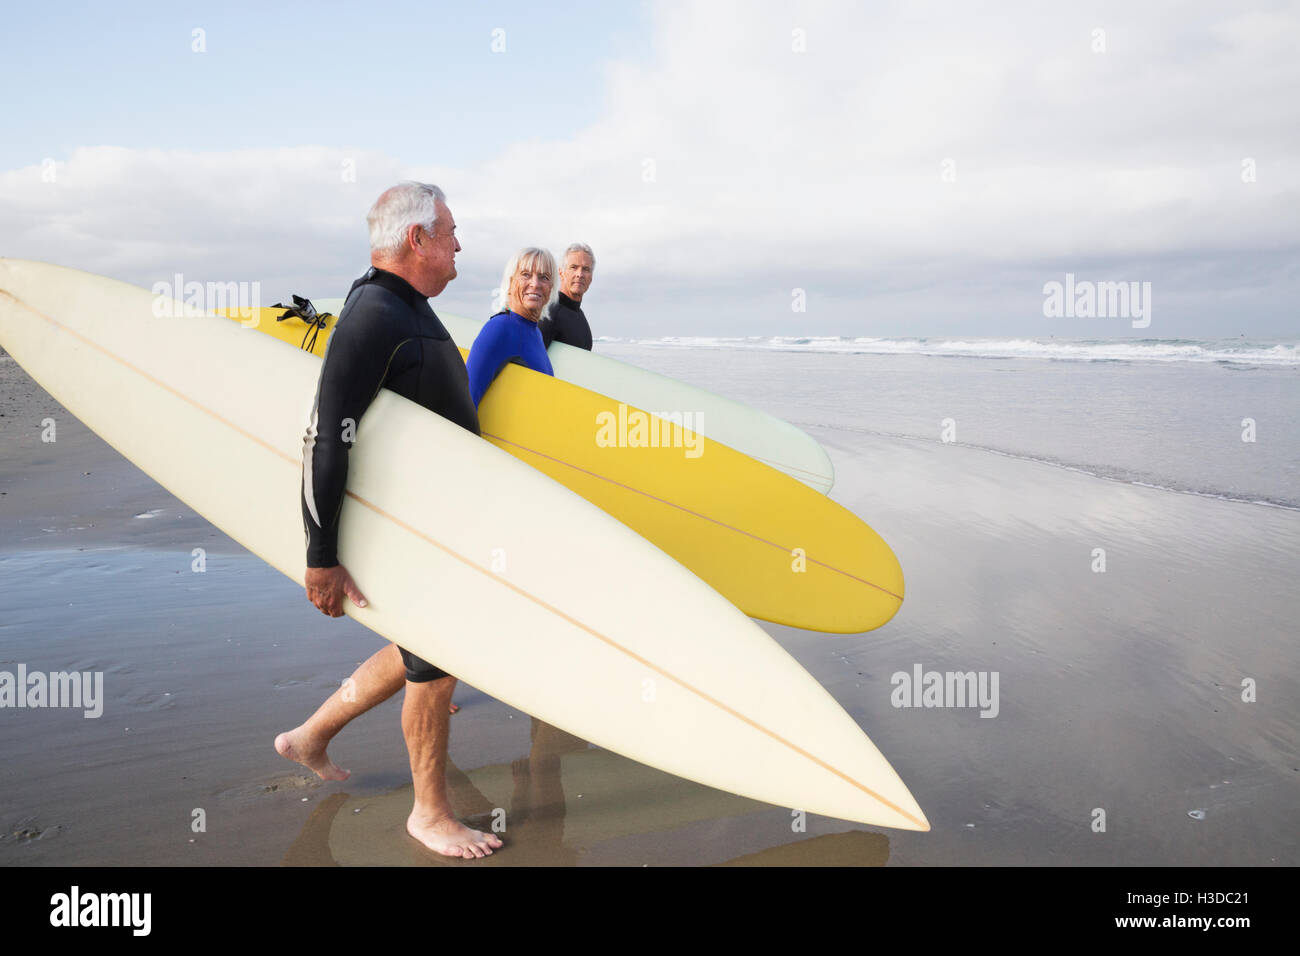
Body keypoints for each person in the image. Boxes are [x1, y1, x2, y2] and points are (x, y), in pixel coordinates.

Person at [275, 181, 503, 859]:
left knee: (416, 651)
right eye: (452, 232)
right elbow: (325, 434)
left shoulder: (404, 308)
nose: (459, 244)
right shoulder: (376, 312)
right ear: (418, 239)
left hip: (434, 527)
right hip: (413, 535)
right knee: (433, 665)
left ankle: (310, 737)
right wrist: (321, 553)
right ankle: (429, 814)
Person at [465, 247, 557, 406]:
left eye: (544, 277)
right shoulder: (499, 328)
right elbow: (466, 401)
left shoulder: (536, 333)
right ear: (510, 281)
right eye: (526, 275)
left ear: (551, 287)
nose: (535, 284)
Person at [536, 243, 595, 350]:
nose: (580, 274)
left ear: (591, 277)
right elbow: (526, 361)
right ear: (561, 272)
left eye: (586, 269)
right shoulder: (549, 313)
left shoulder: (579, 315)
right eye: (574, 267)